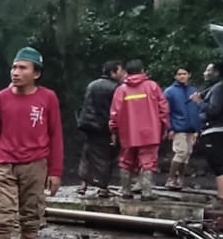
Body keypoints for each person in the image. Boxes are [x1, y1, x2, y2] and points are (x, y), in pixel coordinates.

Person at [0, 47, 64, 239]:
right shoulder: (1, 98)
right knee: (0, 217)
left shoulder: (48, 98)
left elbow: (56, 135)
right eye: (14, 67)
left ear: (36, 73)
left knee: (31, 217)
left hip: (36, 164)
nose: (15, 72)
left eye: (22, 68)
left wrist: (56, 171)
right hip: (6, 164)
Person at [108, 59, 168, 200]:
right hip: (150, 132)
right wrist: (164, 126)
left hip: (128, 133)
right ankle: (147, 193)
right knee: (148, 161)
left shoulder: (121, 90)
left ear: (127, 72)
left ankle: (126, 191)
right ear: (142, 71)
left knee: (126, 161)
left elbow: (114, 113)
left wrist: (114, 130)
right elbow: (164, 109)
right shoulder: (152, 86)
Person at [77, 60, 124, 197]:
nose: (123, 74)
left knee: (87, 154)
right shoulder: (117, 88)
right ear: (113, 73)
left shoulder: (92, 84)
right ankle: (103, 187)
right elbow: (115, 110)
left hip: (88, 125)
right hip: (103, 127)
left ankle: (83, 185)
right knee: (105, 157)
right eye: (120, 71)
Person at [196, 61, 223, 210]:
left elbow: (214, 110)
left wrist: (199, 102)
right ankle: (220, 196)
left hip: (216, 131)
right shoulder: (217, 87)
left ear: (216, 72)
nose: (205, 73)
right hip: (213, 130)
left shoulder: (220, 88)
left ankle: (221, 198)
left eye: (208, 70)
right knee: (216, 163)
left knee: (219, 164)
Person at [164, 67, 204, 190]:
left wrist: (198, 127)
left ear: (189, 75)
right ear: (175, 76)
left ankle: (180, 180)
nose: (182, 76)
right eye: (179, 74)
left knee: (187, 154)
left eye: (184, 74)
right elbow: (165, 111)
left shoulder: (194, 91)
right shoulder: (169, 92)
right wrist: (169, 128)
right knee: (181, 152)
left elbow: (198, 109)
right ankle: (170, 179)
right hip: (178, 127)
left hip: (192, 128)